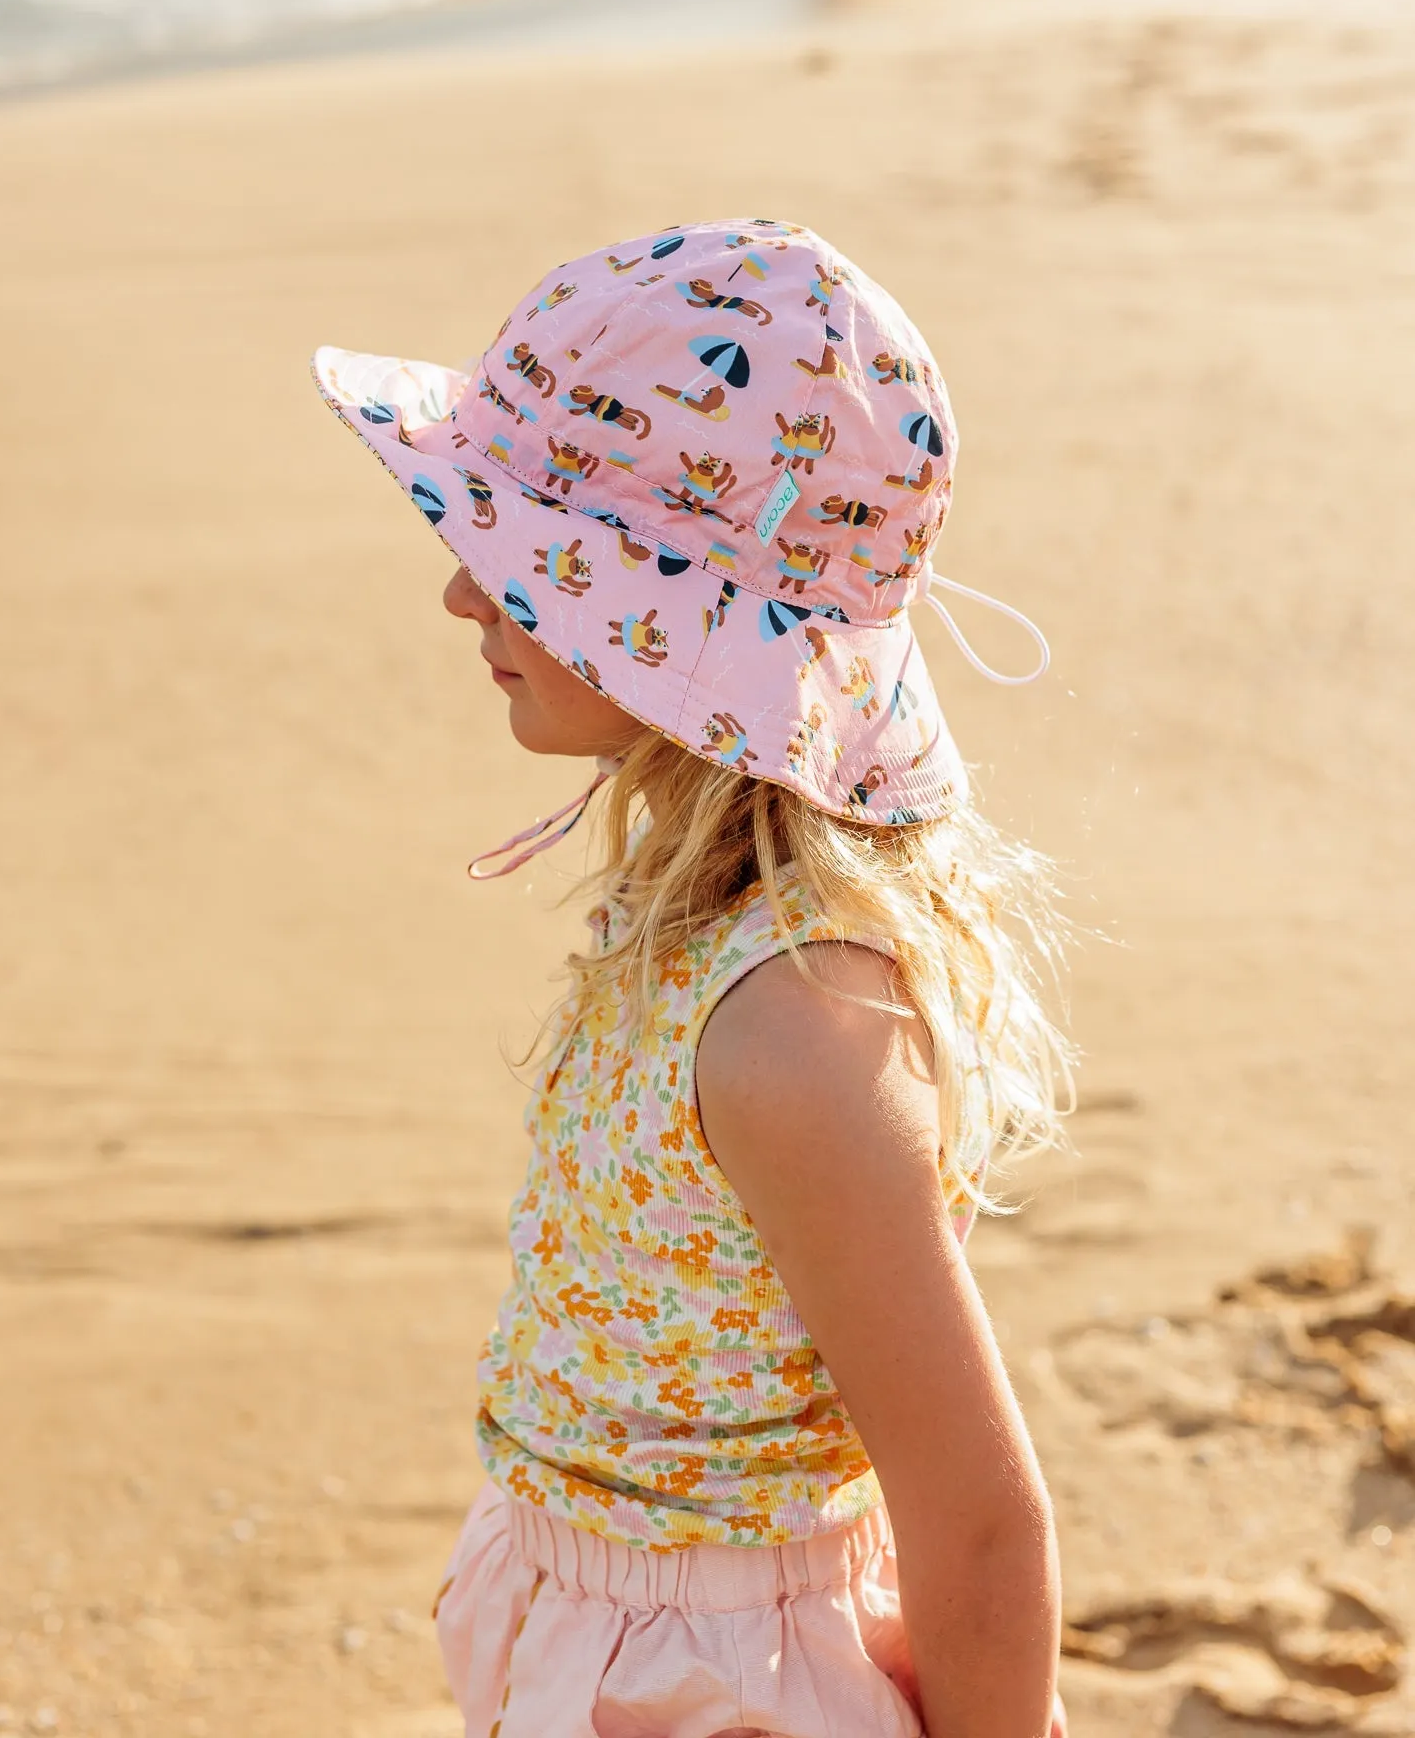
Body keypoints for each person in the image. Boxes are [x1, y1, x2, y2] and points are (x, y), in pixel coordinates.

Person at [312, 219, 1074, 1738]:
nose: (463, 593)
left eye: (524, 558)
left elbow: (977, 1520)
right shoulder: (687, 928)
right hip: (599, 1631)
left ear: (679, 639)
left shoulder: (792, 1032)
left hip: (725, 1690)